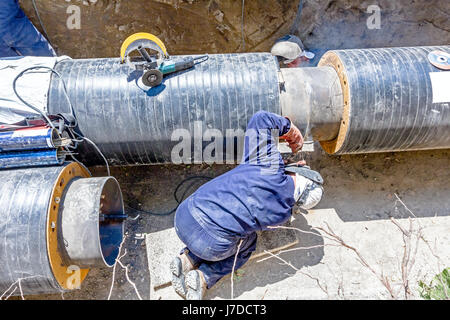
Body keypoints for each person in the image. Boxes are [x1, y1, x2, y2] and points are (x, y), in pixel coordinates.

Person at [170, 111, 324, 300]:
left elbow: (260, 119)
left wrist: (290, 129)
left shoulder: (267, 164)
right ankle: (203, 276)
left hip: (184, 215)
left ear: (298, 171)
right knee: (246, 241)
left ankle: (186, 259)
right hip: (210, 248)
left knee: (236, 233)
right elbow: (276, 193)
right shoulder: (282, 215)